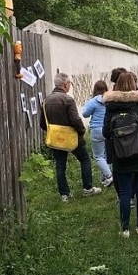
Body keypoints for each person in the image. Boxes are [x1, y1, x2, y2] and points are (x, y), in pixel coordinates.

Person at [103, 72, 138, 238]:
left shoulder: (111, 105)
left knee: (125, 192)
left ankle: (125, 229)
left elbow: (106, 132)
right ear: (134, 84)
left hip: (120, 155)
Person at [39, 72, 102, 201]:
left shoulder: (46, 100)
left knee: (60, 165)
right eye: (70, 84)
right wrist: (81, 131)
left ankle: (64, 194)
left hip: (56, 138)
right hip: (72, 137)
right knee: (84, 159)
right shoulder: (68, 100)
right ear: (65, 85)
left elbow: (42, 123)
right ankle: (88, 188)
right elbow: (75, 119)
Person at [82, 80, 113, 187]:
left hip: (96, 130)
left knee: (98, 156)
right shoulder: (110, 100)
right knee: (106, 154)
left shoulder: (93, 101)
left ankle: (109, 175)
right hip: (108, 129)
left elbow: (85, 114)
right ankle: (105, 179)